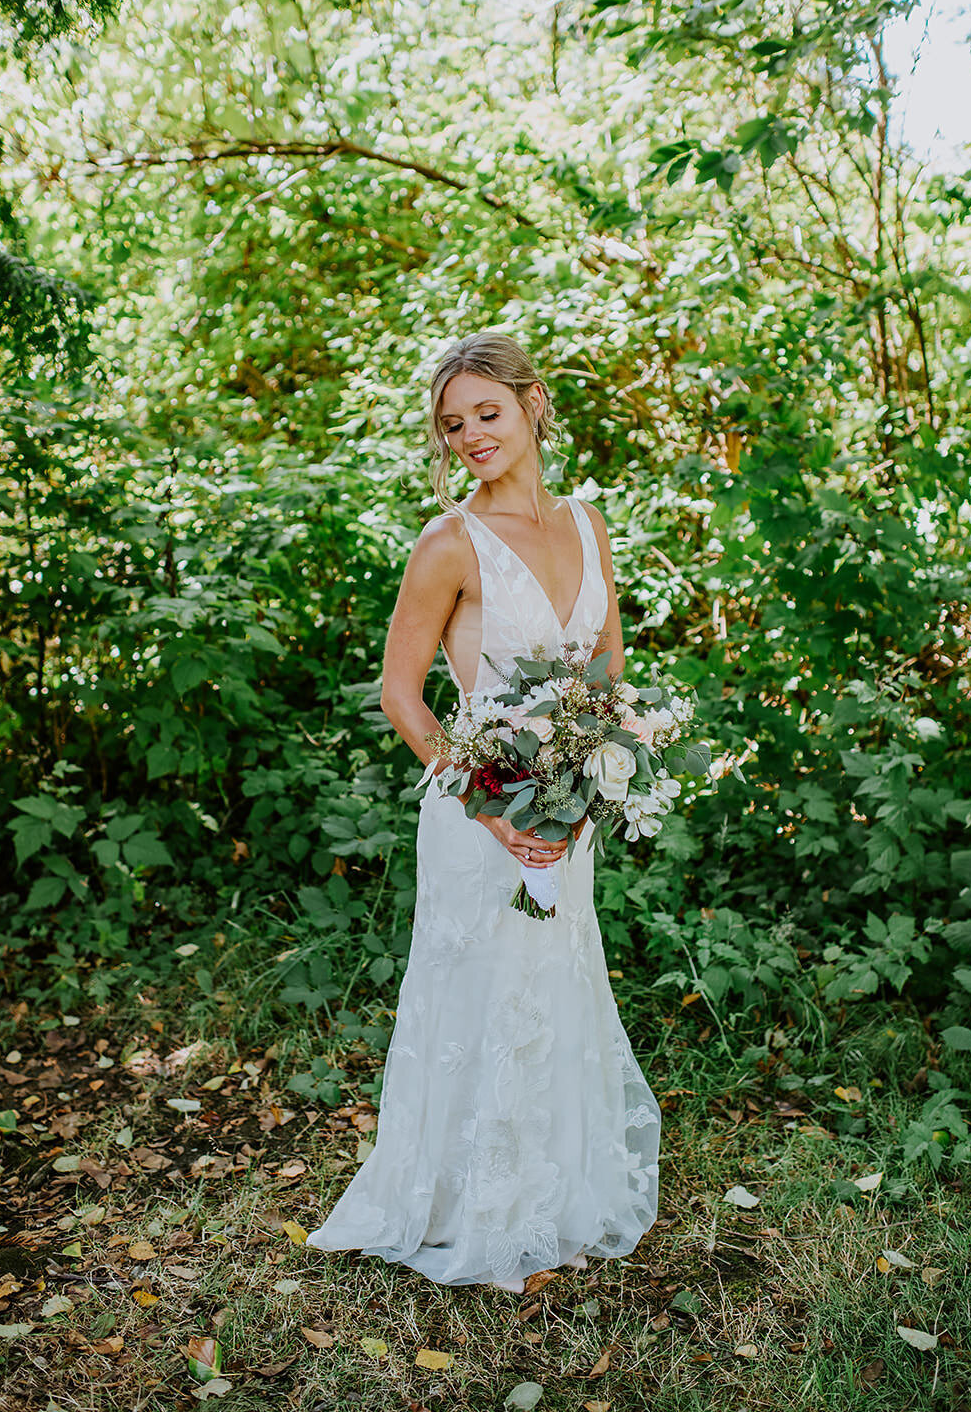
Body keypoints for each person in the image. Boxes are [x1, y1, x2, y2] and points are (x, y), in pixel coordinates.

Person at [303, 330, 661, 1292]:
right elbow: (400, 695)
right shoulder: (449, 541)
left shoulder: (588, 525)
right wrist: (483, 803)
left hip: (567, 807)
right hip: (480, 812)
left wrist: (597, 774)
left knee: (554, 986)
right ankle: (477, 1209)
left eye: (486, 414)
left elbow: (605, 669)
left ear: (533, 403)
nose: (470, 435)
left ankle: (554, 1195)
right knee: (483, 995)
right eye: (453, 424)